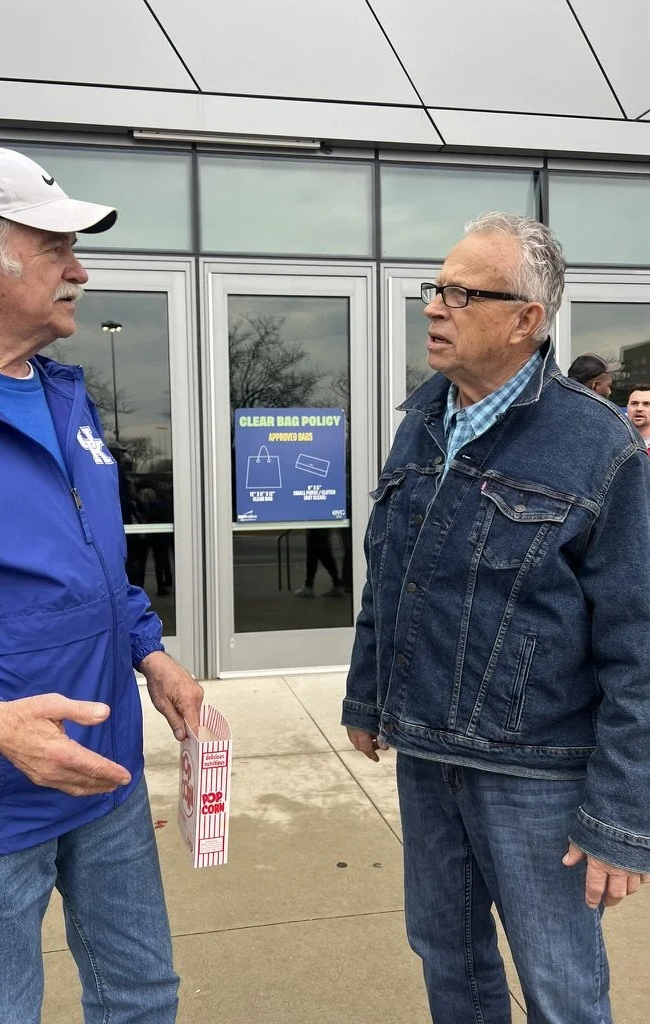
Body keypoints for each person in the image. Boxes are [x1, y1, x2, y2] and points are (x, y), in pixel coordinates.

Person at [0, 145, 203, 1024]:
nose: (80, 269)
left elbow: (97, 564)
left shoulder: (66, 397)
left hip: (106, 779)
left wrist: (151, 651)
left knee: (142, 994)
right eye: (55, 244)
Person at [343, 212, 650, 1024]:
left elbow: (640, 645)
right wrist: (368, 696)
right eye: (434, 289)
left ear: (527, 321)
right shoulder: (424, 417)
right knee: (449, 961)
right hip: (427, 752)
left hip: (539, 771)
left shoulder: (598, 445)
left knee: (560, 986)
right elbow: (392, 570)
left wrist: (621, 812)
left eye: (459, 292)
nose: (433, 307)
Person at [294, 527, 345, 597]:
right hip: (321, 527)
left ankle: (309, 586)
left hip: (316, 527)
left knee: (316, 553)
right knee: (321, 554)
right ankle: (336, 583)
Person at [626, 384, 650, 450]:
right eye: (634, 403)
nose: (639, 409)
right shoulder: (614, 440)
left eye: (646, 404)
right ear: (628, 407)